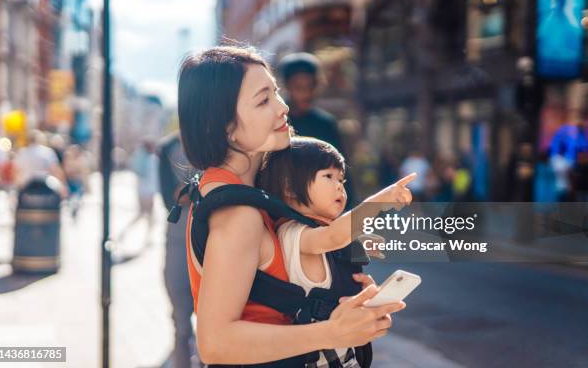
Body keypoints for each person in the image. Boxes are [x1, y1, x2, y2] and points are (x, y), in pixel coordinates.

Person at [178, 46, 406, 366]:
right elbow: (215, 343)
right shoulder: (239, 213)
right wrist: (333, 332)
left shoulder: (234, 191)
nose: (282, 107)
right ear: (224, 126)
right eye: (263, 100)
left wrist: (337, 294)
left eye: (276, 93)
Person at [257, 136, 415, 366]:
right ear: (290, 187)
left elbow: (336, 239)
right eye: (328, 176)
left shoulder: (324, 235)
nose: (339, 185)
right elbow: (332, 237)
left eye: (341, 179)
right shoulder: (291, 232)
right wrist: (379, 201)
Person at [278, 52, 356, 208]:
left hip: (321, 206)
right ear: (286, 86)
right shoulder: (277, 120)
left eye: (310, 86)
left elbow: (341, 169)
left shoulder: (326, 124)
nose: (305, 93)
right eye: (298, 87)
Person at [157, 132, 199, 368]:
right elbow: (169, 198)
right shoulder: (169, 146)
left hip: (211, 235)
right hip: (179, 236)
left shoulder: (219, 139)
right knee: (181, 323)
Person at [119, 139, 159, 245]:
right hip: (148, 192)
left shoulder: (143, 158)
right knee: (145, 215)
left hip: (142, 191)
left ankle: (147, 238)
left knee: (147, 215)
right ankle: (147, 238)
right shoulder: (151, 159)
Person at [14, 130, 67, 196]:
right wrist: (63, 186)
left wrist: (18, 186)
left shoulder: (22, 152)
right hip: (46, 188)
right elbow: (55, 170)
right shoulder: (48, 152)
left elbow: (16, 172)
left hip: (26, 188)